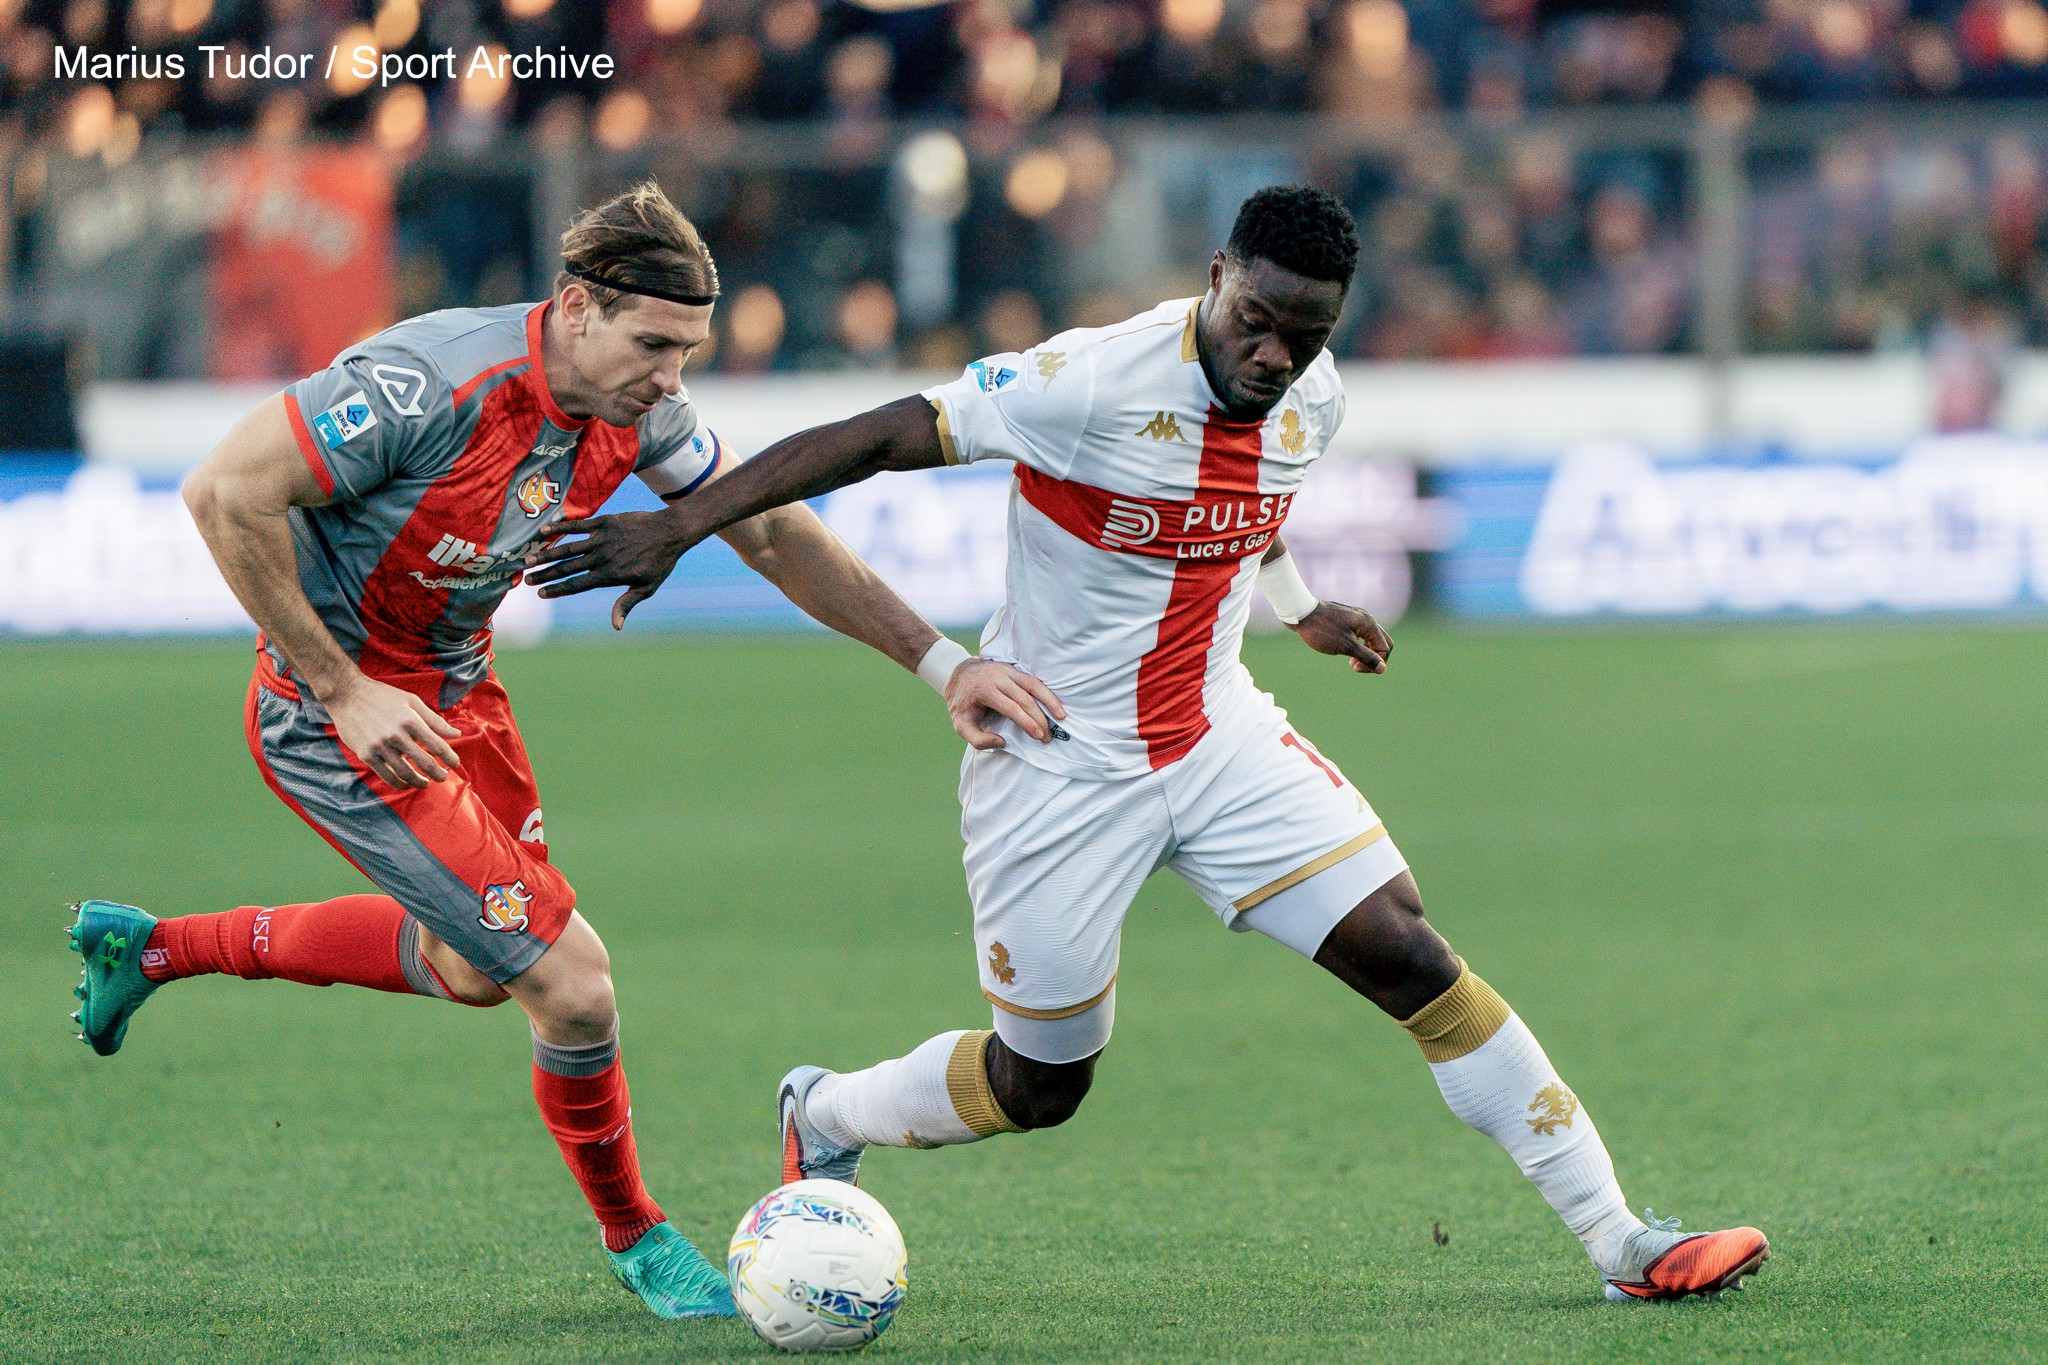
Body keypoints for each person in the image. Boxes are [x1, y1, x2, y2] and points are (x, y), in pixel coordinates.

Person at [525, 184, 1769, 1303]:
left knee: (1411, 955)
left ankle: (1622, 1244)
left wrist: (1298, 610)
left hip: (1216, 734)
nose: (1275, 355)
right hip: (1057, 756)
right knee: (1040, 1083)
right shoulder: (1090, 384)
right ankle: (828, 1106)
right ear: (1218, 276)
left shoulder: (1310, 396)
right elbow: (876, 435)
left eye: (1308, 335)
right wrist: (682, 524)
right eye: (1259, 322)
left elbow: (1250, 510)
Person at [64, 181, 1058, 1321]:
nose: (672, 377)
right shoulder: (426, 384)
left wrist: (943, 664)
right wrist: (340, 690)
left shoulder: (635, 412)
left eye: (688, 351)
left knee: (472, 970)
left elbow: (772, 529)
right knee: (572, 988)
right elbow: (222, 490)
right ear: (576, 307)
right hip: (334, 715)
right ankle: (639, 1236)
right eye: (654, 345)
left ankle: (152, 952)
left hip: (456, 694)